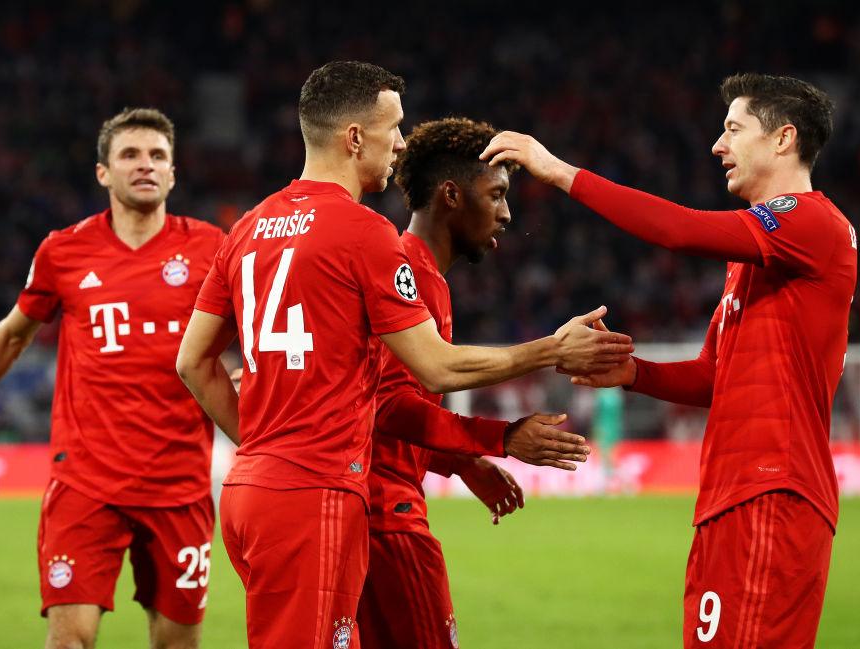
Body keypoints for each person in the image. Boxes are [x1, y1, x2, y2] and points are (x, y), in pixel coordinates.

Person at [175, 60, 632, 649]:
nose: (400, 142)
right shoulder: (366, 234)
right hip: (322, 495)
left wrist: (262, 445)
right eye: (393, 127)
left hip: (253, 490)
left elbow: (192, 361)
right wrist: (550, 351)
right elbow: (433, 368)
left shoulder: (247, 228)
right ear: (354, 137)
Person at [482, 73, 856, 648]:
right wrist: (634, 373)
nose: (718, 145)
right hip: (730, 495)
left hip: (773, 490)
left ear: (784, 139)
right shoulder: (754, 257)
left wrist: (557, 170)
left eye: (734, 129)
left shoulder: (811, 222)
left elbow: (679, 230)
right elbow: (713, 375)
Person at [0, 108, 228, 649]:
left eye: (157, 155)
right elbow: (10, 337)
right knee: (68, 642)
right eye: (129, 155)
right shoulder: (63, 251)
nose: (145, 165)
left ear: (173, 173)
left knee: (176, 645)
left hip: (180, 486)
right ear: (103, 172)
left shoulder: (213, 249)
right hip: (86, 484)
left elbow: (262, 329)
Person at [356, 117, 593, 649]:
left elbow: (382, 401)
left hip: (369, 509)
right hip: (386, 514)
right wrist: (499, 438)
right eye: (496, 194)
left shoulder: (416, 271)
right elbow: (388, 407)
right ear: (451, 195)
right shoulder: (409, 276)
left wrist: (463, 462)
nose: (507, 214)